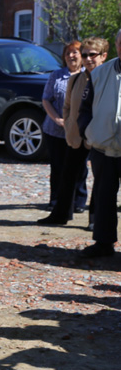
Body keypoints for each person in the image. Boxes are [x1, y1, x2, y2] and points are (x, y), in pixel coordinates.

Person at [40, 37, 105, 227]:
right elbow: (67, 106)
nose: (88, 59)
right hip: (76, 135)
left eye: (92, 55)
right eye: (85, 55)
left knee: (101, 179)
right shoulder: (76, 79)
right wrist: (69, 125)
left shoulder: (108, 79)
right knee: (67, 175)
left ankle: (96, 220)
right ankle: (60, 215)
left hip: (101, 137)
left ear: (103, 56)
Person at [76, 28, 121, 259]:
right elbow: (85, 108)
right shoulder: (100, 73)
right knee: (104, 197)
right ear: (117, 45)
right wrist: (87, 132)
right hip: (103, 147)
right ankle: (103, 243)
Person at [39, 41, 84, 214]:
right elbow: (46, 99)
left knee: (79, 167)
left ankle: (78, 201)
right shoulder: (56, 75)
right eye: (67, 53)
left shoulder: (88, 75)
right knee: (58, 167)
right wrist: (57, 119)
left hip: (79, 130)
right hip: (55, 130)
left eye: (75, 52)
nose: (71, 56)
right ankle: (56, 201)